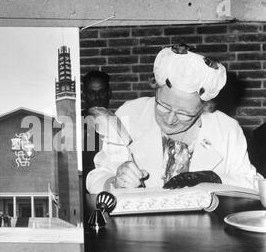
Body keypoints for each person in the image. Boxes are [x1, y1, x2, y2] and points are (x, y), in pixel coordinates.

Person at [86, 44, 260, 194]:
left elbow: (252, 183)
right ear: (155, 89)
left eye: (184, 114)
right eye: (163, 106)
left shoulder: (227, 130)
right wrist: (114, 183)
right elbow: (96, 176)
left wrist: (213, 178)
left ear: (205, 108)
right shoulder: (131, 114)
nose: (169, 120)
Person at [82, 71, 112, 187]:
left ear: (109, 93)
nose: (97, 97)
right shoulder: (76, 125)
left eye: (102, 92)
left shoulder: (119, 123)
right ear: (84, 96)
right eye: (91, 93)